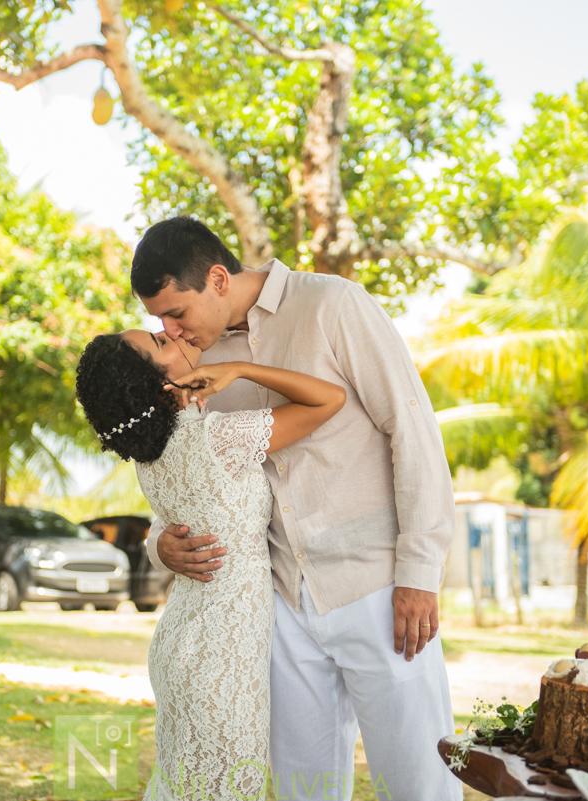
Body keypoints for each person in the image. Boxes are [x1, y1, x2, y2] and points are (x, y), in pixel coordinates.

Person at [134, 217, 462, 801]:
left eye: (176, 313)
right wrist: (160, 541)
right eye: (160, 321)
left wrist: (419, 572)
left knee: (420, 784)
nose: (171, 330)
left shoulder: (333, 305)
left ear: (217, 279)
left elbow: (411, 428)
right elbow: (193, 472)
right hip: (279, 605)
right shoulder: (192, 364)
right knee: (303, 791)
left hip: (378, 588)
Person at [75, 329, 345, 800]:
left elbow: (177, 520)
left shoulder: (150, 459)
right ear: (163, 385)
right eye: (160, 341)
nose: (171, 332)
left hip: (185, 643)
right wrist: (241, 368)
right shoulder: (218, 439)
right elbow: (329, 399)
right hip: (223, 657)